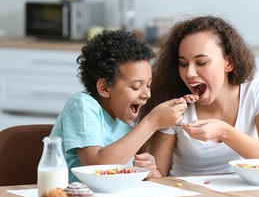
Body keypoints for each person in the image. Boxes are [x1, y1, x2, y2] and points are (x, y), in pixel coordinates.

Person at [135, 15, 259, 177]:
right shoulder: (174, 102)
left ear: (229, 63)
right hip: (186, 195)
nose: (190, 73)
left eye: (201, 62)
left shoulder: (256, 88)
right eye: (183, 64)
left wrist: (224, 131)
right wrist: (149, 169)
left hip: (245, 195)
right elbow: (160, 175)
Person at [50, 29, 187, 182]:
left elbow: (123, 165)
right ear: (105, 88)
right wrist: (152, 122)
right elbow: (97, 167)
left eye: (148, 85)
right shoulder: (82, 106)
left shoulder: (123, 116)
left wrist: (147, 167)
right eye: (136, 87)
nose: (146, 94)